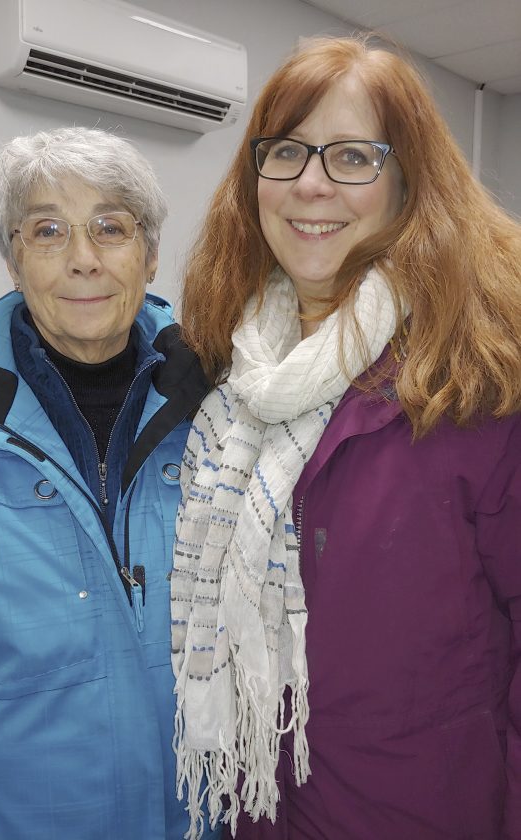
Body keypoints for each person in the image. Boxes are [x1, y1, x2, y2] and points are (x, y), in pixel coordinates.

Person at [171, 34, 521, 840]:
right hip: (251, 810)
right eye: (287, 151)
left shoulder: (481, 383)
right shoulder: (224, 369)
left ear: (408, 184)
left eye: (354, 157)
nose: (311, 184)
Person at [0, 127, 220, 840]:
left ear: (150, 253)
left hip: (197, 818)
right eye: (47, 231)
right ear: (13, 261)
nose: (83, 258)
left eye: (111, 227)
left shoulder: (217, 408)